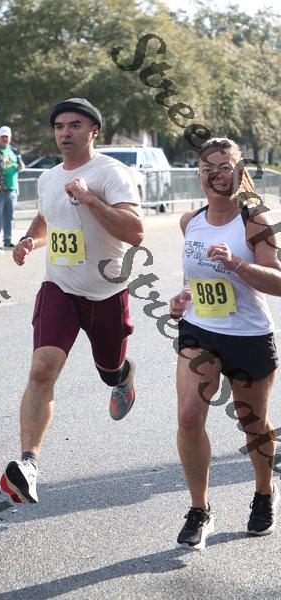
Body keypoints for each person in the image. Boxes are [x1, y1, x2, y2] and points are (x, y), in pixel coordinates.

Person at [0, 98, 144, 504]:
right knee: (42, 369)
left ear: (94, 130)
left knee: (109, 370)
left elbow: (135, 232)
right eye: (59, 126)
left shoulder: (111, 173)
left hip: (106, 291)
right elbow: (47, 218)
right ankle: (28, 463)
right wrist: (30, 240)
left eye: (75, 125)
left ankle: (123, 376)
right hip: (59, 287)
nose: (65, 132)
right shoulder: (48, 178)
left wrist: (90, 199)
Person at [169, 137, 281, 549]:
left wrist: (236, 264)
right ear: (198, 174)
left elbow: (278, 280)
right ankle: (200, 509)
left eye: (224, 167)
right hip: (200, 330)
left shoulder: (255, 222)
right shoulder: (190, 221)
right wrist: (184, 296)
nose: (215, 175)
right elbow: (194, 275)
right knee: (188, 416)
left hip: (248, 335)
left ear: (239, 173)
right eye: (207, 168)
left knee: (254, 425)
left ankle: (265, 491)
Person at [0, 126, 25, 249]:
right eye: (2, 137)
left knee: (9, 217)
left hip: (12, 189)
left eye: (6, 137)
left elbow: (20, 166)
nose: (4, 139)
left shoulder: (14, 151)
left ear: (10, 138)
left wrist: (21, 166)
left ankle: (8, 240)